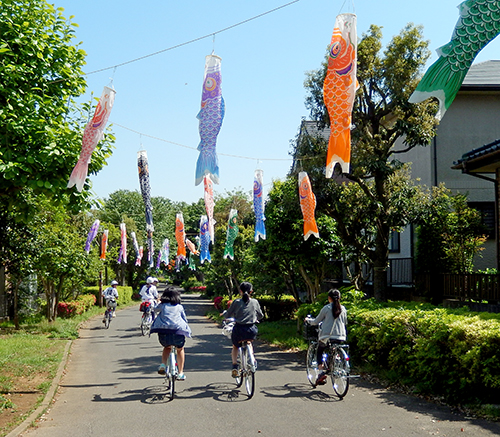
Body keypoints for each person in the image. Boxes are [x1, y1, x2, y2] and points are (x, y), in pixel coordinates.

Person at [305, 289, 347, 386]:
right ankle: (335, 362)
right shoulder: (343, 309)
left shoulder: (326, 308)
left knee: (320, 350)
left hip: (327, 335)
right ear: (339, 298)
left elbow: (316, 321)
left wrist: (308, 320)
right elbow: (345, 322)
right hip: (341, 335)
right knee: (334, 348)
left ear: (329, 298)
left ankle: (320, 372)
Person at [224, 282, 264, 378]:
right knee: (249, 342)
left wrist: (225, 315)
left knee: (235, 346)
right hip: (251, 330)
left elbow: (228, 314)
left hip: (239, 329)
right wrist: (255, 318)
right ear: (251, 291)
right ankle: (252, 360)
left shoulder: (236, 302)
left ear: (240, 291)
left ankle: (235, 366)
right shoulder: (255, 302)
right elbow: (261, 315)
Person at [150, 287, 191, 380]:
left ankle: (163, 365)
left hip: (164, 334)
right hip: (178, 333)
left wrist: (158, 301)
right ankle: (180, 373)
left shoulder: (163, 305)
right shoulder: (179, 307)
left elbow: (155, 310)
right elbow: (184, 320)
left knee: (167, 347)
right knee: (180, 349)